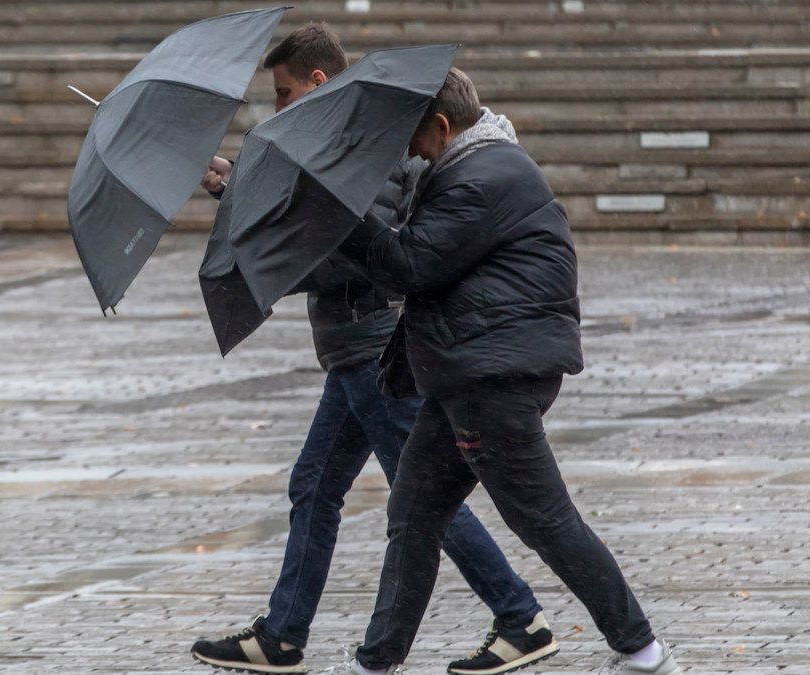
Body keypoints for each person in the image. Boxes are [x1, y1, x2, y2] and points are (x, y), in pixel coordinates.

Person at [189, 25, 558, 675]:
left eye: (282, 94)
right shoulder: (336, 145)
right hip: (352, 349)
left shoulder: (365, 148)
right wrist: (235, 190)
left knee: (421, 499)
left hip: (372, 348)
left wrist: (265, 224)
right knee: (316, 483)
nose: (277, 108)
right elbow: (321, 243)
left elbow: (367, 260)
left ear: (318, 83)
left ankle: (518, 615)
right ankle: (282, 633)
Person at [327, 68, 684, 675]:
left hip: (491, 376)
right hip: (467, 370)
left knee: (543, 519)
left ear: (441, 125)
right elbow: (398, 194)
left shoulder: (480, 180)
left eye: (412, 135)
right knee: (413, 513)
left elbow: (408, 265)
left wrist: (334, 211)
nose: (407, 148)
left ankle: (642, 649)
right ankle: (375, 663)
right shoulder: (470, 164)